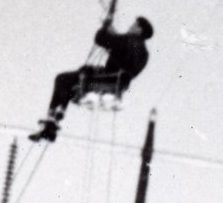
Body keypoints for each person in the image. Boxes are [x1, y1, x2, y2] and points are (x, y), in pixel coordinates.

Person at [29, 9, 154, 142]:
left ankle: (53, 118)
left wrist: (105, 26)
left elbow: (100, 39)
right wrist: (111, 35)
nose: (130, 27)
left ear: (139, 30)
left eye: (133, 25)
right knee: (73, 83)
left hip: (106, 79)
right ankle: (53, 122)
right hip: (118, 84)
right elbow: (119, 51)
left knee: (62, 79)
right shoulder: (144, 54)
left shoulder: (129, 40)